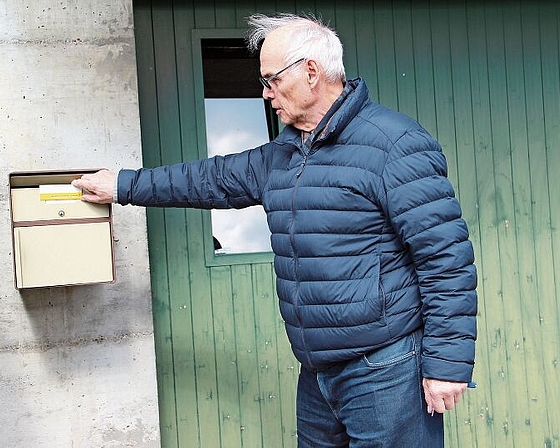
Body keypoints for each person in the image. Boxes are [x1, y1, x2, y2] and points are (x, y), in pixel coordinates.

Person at [72, 12, 477, 448]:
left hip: (385, 367)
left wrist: (447, 365)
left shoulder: (394, 144)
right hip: (318, 372)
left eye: (272, 80)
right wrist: (121, 185)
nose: (265, 94)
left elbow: (445, 258)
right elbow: (208, 179)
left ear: (311, 72)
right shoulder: (284, 153)